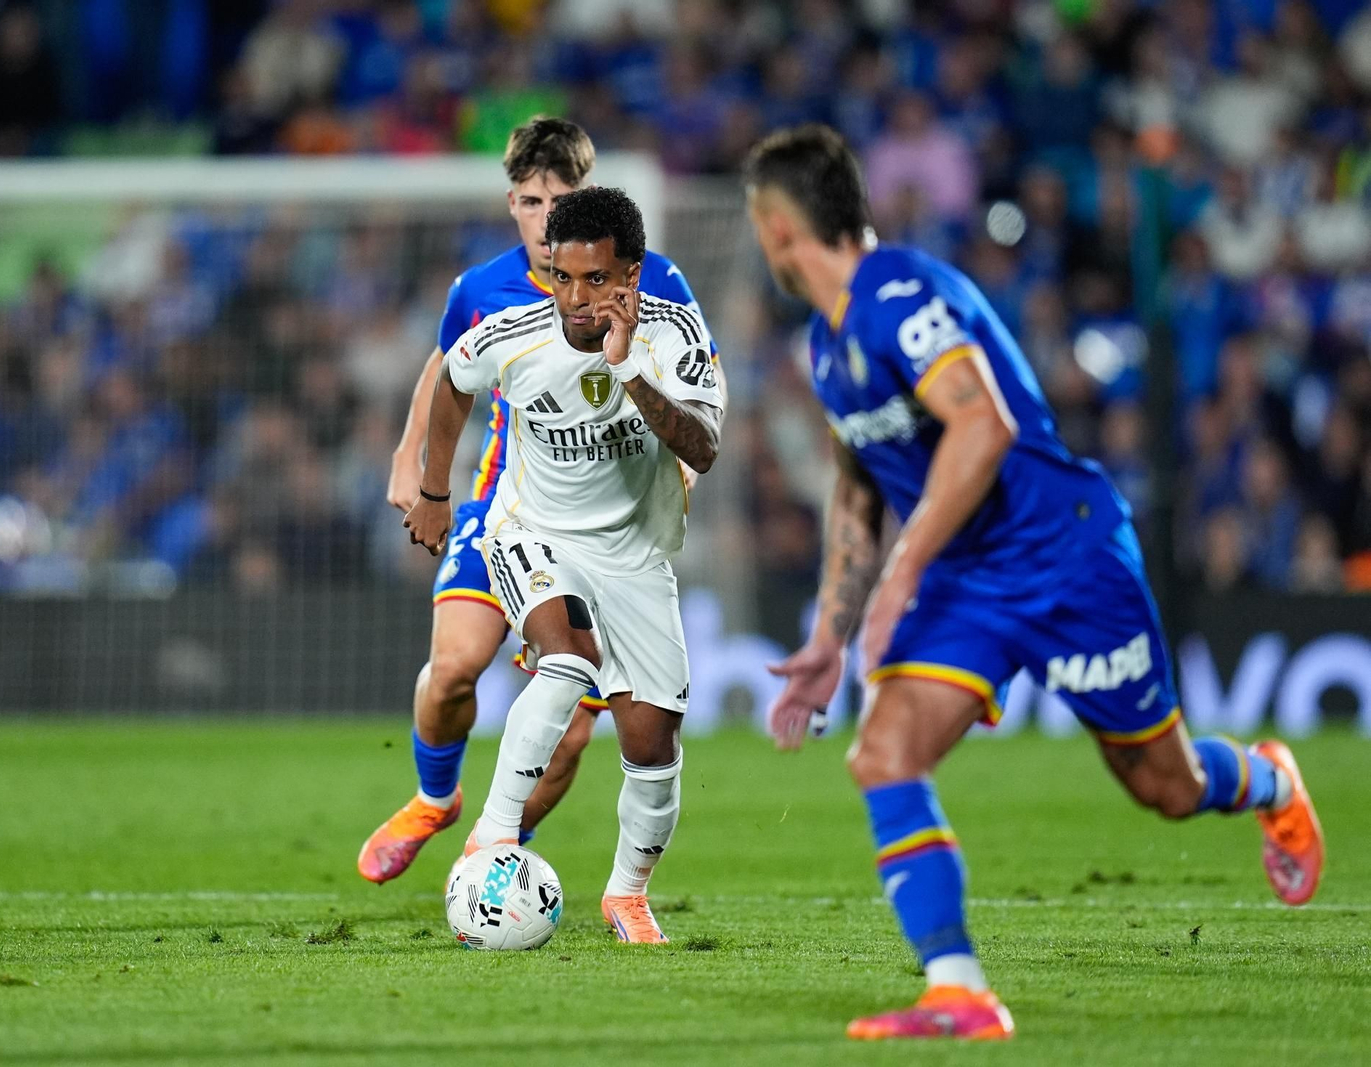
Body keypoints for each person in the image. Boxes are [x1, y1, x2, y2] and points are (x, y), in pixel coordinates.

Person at [741, 125, 1325, 1040]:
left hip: (1066, 555)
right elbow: (859, 486)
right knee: (884, 752)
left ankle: (1268, 781)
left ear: (777, 228)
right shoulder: (827, 345)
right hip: (971, 578)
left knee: (1163, 785)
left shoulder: (905, 298)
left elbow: (982, 428)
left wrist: (899, 580)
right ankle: (959, 988)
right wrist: (829, 632)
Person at [358, 118, 720, 884]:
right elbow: (448, 367)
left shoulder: (655, 280)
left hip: (614, 524)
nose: (541, 219)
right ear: (512, 202)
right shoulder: (481, 289)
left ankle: (485, 866)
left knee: (570, 739)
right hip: (508, 501)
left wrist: (679, 467)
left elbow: (697, 378)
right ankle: (435, 797)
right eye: (527, 201)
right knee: (455, 665)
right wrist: (410, 460)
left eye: (556, 200)